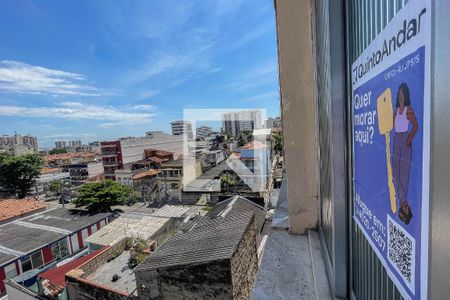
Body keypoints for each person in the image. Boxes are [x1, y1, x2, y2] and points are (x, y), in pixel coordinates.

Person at [392, 82, 418, 225]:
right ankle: (403, 202)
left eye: (402, 93)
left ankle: (403, 203)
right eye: (399, 94)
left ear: (405, 95)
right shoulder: (396, 111)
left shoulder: (408, 110)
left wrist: (408, 140)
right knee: (396, 173)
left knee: (403, 175)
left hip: (404, 140)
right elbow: (392, 125)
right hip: (396, 140)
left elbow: (416, 125)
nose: (400, 96)